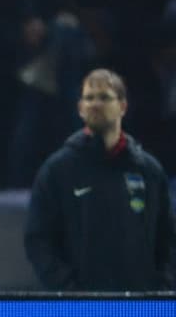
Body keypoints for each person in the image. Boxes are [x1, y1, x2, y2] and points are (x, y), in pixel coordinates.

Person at [24, 68, 173, 291]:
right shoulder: (57, 171)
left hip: (141, 313)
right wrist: (69, 291)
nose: (95, 104)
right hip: (80, 313)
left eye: (104, 97)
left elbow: (168, 240)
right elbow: (38, 240)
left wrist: (161, 289)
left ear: (123, 106)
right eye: (89, 98)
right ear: (80, 109)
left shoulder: (148, 171)